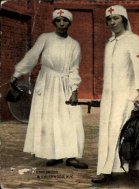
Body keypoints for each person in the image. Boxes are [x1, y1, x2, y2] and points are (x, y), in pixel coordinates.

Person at [9, 9, 88, 169]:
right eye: (58, 21)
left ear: (69, 23)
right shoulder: (45, 38)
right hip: (46, 83)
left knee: (70, 119)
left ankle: (72, 156)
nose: (61, 24)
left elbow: (74, 69)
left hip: (64, 84)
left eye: (65, 21)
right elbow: (32, 56)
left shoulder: (74, 45)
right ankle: (54, 154)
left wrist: (74, 90)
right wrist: (17, 73)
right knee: (49, 119)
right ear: (54, 23)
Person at [91, 5, 139, 183]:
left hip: (126, 94)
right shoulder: (110, 44)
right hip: (110, 96)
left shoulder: (134, 40)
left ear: (124, 19)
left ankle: (114, 169)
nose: (112, 22)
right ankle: (107, 167)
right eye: (109, 19)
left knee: (124, 130)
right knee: (107, 131)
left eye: (116, 18)